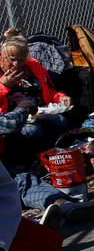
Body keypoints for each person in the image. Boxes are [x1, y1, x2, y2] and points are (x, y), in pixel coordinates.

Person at [0, 32, 71, 168]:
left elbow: (46, 90)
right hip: (12, 120)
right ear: (2, 56)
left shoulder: (32, 67)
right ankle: (38, 164)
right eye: (12, 59)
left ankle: (59, 161)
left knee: (60, 121)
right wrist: (4, 86)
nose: (16, 64)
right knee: (34, 131)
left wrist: (61, 96)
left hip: (37, 112)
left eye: (21, 59)